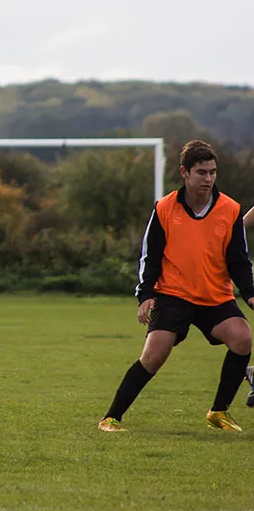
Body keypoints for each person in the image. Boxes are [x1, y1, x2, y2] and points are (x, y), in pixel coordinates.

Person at [98, 139, 254, 433]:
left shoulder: (231, 209)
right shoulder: (165, 208)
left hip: (214, 297)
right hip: (173, 295)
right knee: (154, 355)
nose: (208, 179)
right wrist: (145, 295)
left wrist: (250, 293)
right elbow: (150, 256)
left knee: (242, 338)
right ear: (185, 172)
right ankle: (111, 417)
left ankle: (218, 412)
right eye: (201, 172)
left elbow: (239, 261)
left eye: (212, 172)